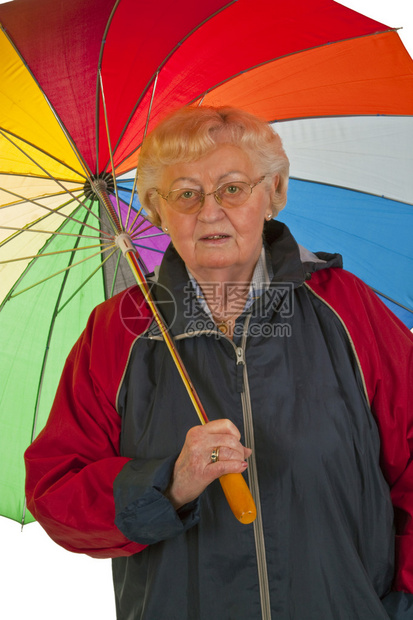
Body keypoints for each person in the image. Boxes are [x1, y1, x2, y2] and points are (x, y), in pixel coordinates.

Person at [25, 106, 413, 620]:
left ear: (272, 193)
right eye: (185, 193)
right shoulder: (116, 333)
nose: (210, 212)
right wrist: (167, 483)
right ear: (156, 210)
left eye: (232, 188)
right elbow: (58, 495)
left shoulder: (346, 308)